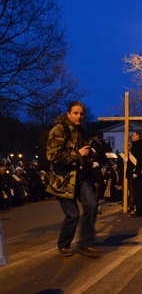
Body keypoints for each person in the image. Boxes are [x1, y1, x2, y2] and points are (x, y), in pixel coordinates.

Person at [46, 101, 102, 257]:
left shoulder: (82, 132)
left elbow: (84, 154)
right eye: (76, 113)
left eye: (82, 113)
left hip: (81, 177)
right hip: (63, 180)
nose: (79, 116)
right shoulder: (59, 130)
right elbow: (53, 156)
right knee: (73, 215)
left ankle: (85, 243)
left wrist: (90, 154)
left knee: (92, 205)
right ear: (68, 114)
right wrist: (78, 154)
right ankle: (64, 244)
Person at [126, 130, 142, 217]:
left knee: (139, 193)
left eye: (133, 135)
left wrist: (137, 171)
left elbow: (140, 159)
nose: (132, 137)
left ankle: (140, 211)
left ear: (138, 136)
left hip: (138, 173)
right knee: (140, 192)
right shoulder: (138, 145)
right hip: (138, 172)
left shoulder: (140, 146)